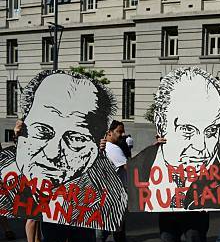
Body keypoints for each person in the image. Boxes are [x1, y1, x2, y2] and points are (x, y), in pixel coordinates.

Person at [0, 70, 127, 230]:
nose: (53, 153)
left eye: (76, 139)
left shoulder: (103, 193)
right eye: (42, 131)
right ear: (23, 127)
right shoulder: (6, 179)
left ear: (94, 147)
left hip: (79, 225)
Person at [127, 67, 220, 212]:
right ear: (161, 124)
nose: (201, 146)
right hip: (167, 224)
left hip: (196, 224)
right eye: (187, 129)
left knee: (194, 235)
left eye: (211, 130)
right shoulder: (138, 169)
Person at [95, 120, 148, 242]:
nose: (122, 134)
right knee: (104, 230)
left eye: (122, 131)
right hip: (113, 196)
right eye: (119, 131)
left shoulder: (108, 147)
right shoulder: (112, 149)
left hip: (110, 194)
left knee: (118, 230)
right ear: (109, 132)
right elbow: (130, 168)